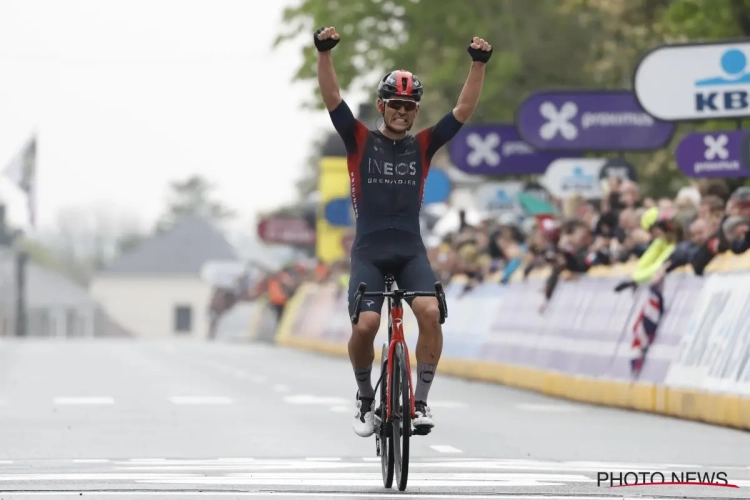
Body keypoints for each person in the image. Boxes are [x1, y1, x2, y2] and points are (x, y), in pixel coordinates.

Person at [313, 26, 492, 438]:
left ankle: (421, 400)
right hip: (370, 251)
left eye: (410, 106)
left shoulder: (424, 145)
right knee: (366, 325)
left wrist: (478, 64)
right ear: (382, 105)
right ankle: (364, 399)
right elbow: (333, 99)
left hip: (410, 249)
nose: (403, 112)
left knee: (430, 314)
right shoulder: (359, 140)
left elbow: (462, 110)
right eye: (396, 104)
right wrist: (324, 54)